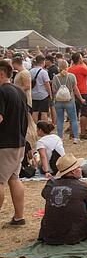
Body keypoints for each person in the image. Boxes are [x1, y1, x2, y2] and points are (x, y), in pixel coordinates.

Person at [38, 153, 87, 244]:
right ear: (73, 171)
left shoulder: (50, 184)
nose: (81, 169)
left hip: (50, 234)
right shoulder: (83, 186)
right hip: (75, 234)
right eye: (79, 167)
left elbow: (45, 195)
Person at [0, 60, 27, 227]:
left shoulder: (1, 91)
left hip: (4, 144)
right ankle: (19, 217)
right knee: (14, 178)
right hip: (19, 142)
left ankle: (19, 217)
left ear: (1, 74)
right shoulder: (19, 91)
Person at [51, 59, 83, 143]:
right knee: (73, 119)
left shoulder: (55, 77)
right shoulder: (71, 76)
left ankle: (60, 138)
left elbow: (54, 90)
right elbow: (75, 89)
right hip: (69, 100)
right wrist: (81, 99)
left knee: (60, 120)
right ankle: (75, 138)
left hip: (58, 101)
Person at [68, 53, 87, 140]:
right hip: (83, 92)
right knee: (84, 113)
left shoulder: (69, 69)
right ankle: (83, 132)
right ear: (79, 59)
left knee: (74, 113)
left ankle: (73, 132)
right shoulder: (81, 67)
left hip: (73, 93)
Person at [29, 55, 52, 123]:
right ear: (43, 62)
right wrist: (50, 94)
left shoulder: (30, 71)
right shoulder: (43, 72)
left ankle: (35, 128)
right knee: (44, 113)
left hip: (33, 94)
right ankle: (43, 128)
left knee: (34, 112)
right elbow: (47, 84)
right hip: (43, 95)